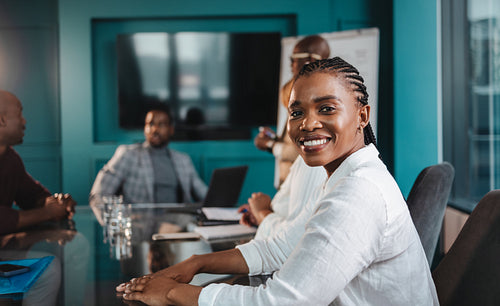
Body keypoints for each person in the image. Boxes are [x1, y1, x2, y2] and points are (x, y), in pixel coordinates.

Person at [118, 57, 438, 305]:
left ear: (362, 116)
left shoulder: (359, 194)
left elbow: (280, 301)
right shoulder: (347, 176)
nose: (308, 123)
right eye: (296, 112)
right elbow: (283, 248)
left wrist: (171, 294)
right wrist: (196, 263)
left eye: (326, 108)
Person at [90, 103, 208, 220]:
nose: (155, 129)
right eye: (150, 124)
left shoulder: (183, 160)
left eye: (161, 124)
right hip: (140, 227)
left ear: (171, 130)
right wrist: (120, 220)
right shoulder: (127, 155)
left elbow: (205, 196)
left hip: (177, 228)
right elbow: (98, 194)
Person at [254, 35, 330, 188]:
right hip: (289, 186)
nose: (291, 64)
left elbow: (306, 148)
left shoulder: (315, 98)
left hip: (300, 185)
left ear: (311, 60)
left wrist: (270, 144)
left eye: (295, 58)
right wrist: (275, 139)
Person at [0, 90, 76, 235]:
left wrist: (57, 203)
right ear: (1, 120)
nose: (24, 121)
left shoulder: (11, 159)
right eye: (19, 114)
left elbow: (31, 195)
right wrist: (47, 213)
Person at [238, 156, 327, 240]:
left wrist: (262, 213)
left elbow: (294, 238)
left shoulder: (312, 162)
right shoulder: (304, 159)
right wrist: (260, 215)